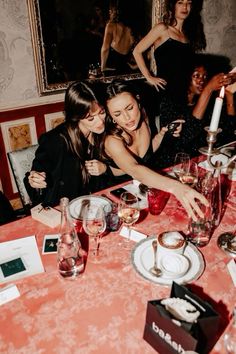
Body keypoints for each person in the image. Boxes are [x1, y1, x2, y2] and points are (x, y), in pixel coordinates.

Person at [102, 79, 208, 220]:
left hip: (145, 192)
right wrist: (176, 187)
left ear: (138, 101)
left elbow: (148, 150)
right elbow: (135, 169)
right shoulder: (112, 141)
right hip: (118, 205)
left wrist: (163, 133)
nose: (127, 118)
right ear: (111, 117)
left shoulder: (144, 117)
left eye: (129, 108)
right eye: (117, 114)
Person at [24, 81, 115, 207]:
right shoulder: (56, 140)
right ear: (76, 117)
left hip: (97, 204)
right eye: (90, 118)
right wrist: (35, 177)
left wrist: (105, 169)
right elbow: (37, 170)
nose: (100, 122)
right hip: (64, 209)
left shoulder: (105, 131)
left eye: (102, 112)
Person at [133, 0, 206, 115]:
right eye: (180, 2)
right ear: (173, 6)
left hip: (183, 93)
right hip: (166, 93)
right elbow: (137, 51)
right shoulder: (163, 29)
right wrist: (149, 77)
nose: (185, 7)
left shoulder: (187, 35)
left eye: (188, 3)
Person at [100, 2, 138, 75]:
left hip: (112, 68)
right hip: (126, 68)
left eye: (110, 11)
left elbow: (105, 48)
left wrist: (103, 67)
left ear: (111, 12)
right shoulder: (130, 29)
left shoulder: (110, 26)